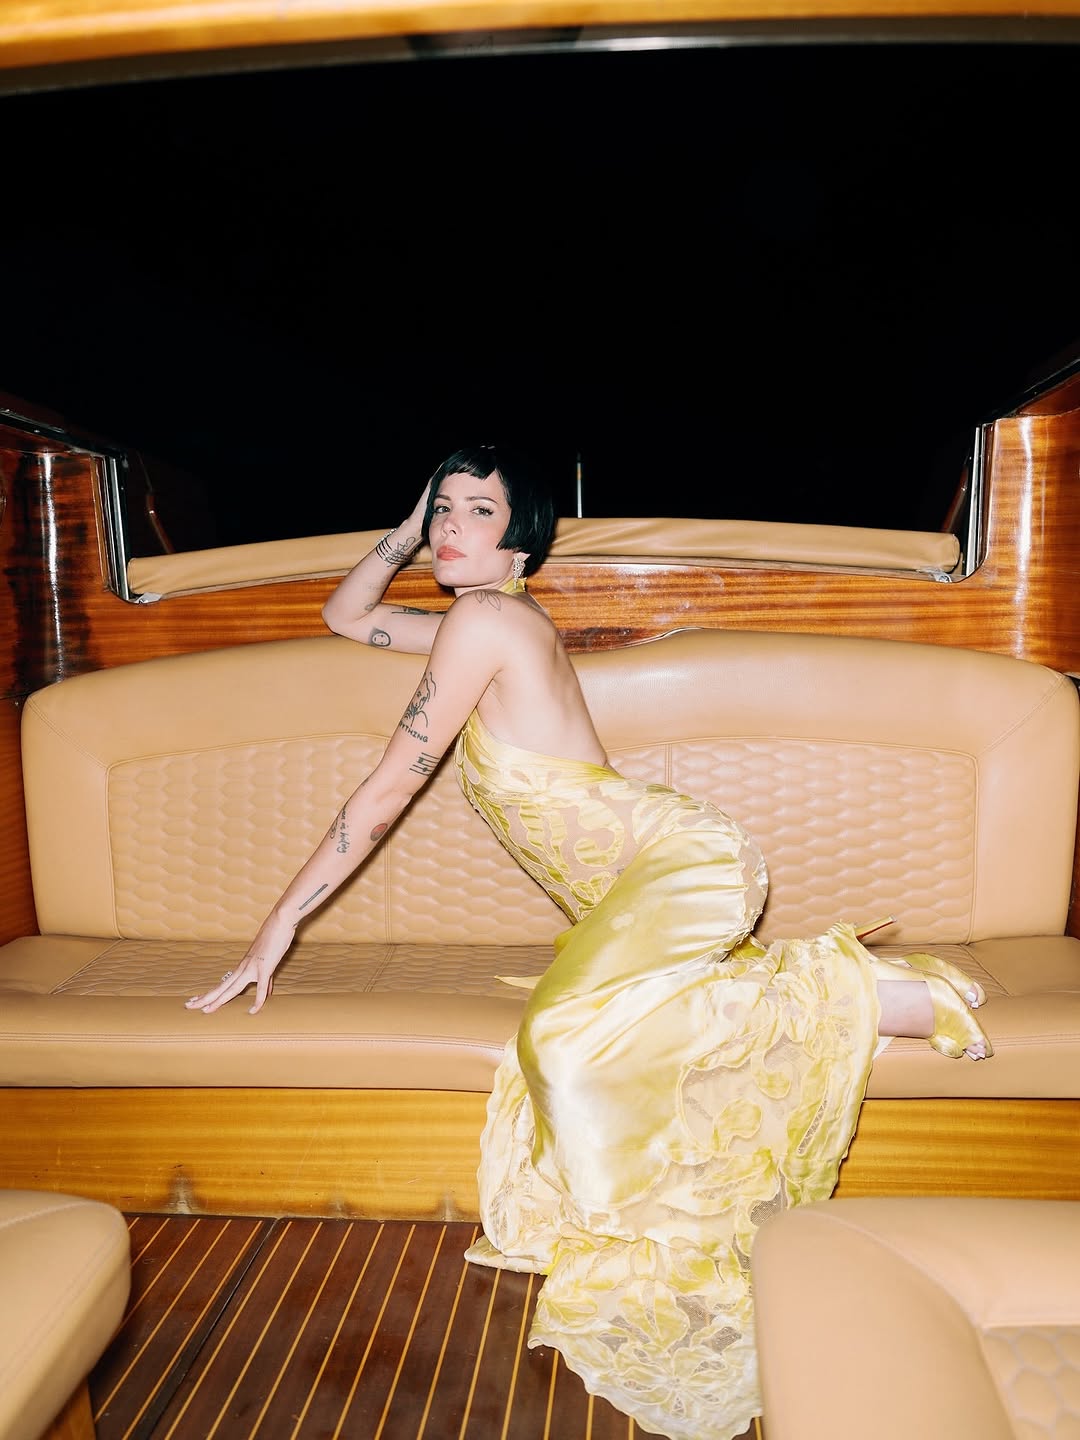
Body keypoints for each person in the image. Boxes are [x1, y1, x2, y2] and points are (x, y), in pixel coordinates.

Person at [186, 444, 993, 1440]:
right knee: (593, 1035)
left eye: (476, 511)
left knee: (563, 1039)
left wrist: (279, 923)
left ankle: (871, 996)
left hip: (684, 865)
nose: (449, 526)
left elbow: (390, 787)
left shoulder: (485, 620)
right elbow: (344, 617)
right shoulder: (477, 622)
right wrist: (402, 527)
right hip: (637, 893)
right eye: (442, 509)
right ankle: (838, 987)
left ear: (521, 540)